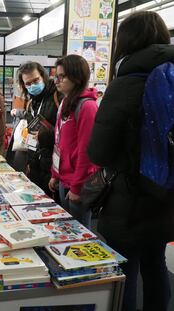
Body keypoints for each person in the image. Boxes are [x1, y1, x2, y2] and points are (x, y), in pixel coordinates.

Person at [87, 11, 174, 311]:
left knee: (125, 269)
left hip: (128, 199)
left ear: (125, 42)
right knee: (156, 265)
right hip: (166, 195)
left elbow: (98, 152)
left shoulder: (126, 82)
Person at [48, 55, 98, 229]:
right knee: (67, 230)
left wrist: (77, 187)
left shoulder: (87, 107)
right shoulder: (65, 103)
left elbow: (87, 152)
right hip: (63, 179)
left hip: (78, 184)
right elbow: (59, 141)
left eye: (62, 77)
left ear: (76, 77)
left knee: (81, 234)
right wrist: (55, 174)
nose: (57, 81)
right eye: (56, 76)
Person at [9, 62, 61, 188]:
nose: (33, 85)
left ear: (43, 76)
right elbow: (32, 133)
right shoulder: (31, 102)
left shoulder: (58, 97)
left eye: (36, 80)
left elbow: (68, 132)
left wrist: (45, 135)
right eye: (28, 83)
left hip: (54, 166)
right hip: (36, 164)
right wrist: (30, 163)